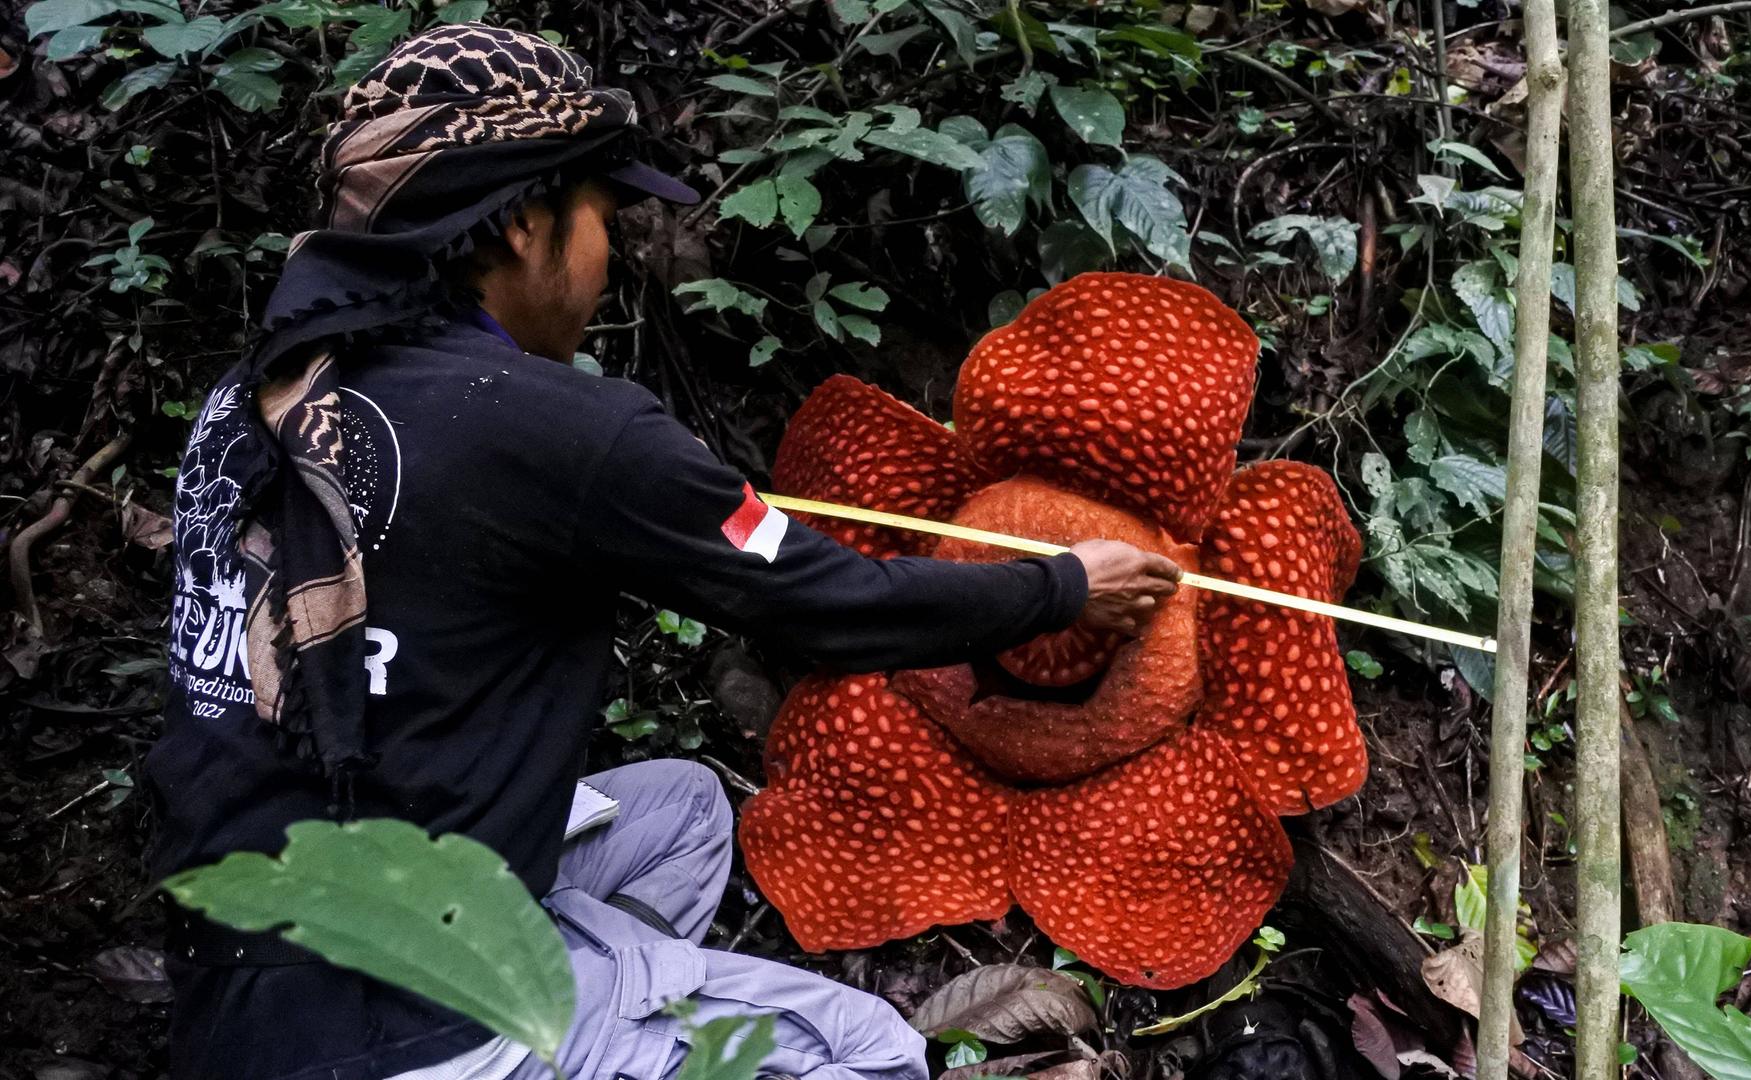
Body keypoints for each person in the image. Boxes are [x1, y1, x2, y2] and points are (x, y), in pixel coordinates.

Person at [146, 24, 1182, 1080]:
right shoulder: (559, 430)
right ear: (521, 224)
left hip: (240, 974)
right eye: (601, 214)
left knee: (682, 811)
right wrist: (1061, 588)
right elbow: (828, 603)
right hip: (414, 1029)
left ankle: (608, 1004)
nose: (613, 250)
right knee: (870, 1050)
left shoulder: (259, 397)